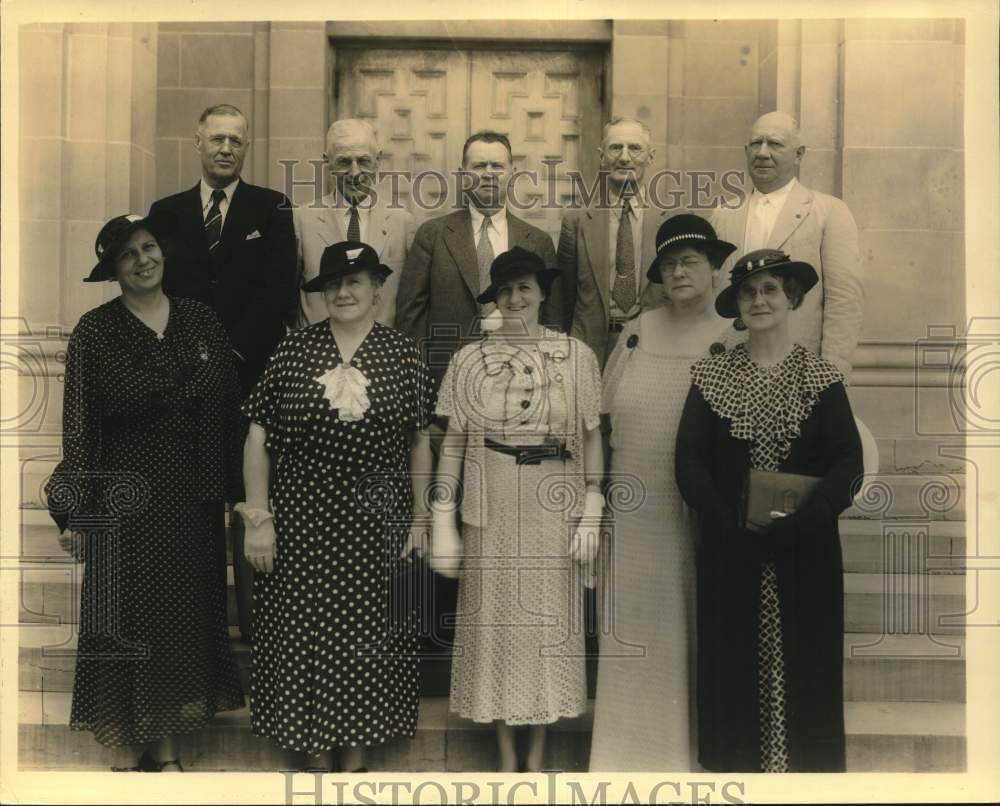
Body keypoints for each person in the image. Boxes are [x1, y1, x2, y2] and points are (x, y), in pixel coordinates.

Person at [45, 212, 245, 772]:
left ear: (164, 252)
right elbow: (79, 423)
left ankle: (172, 748)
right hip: (124, 494)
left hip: (191, 495)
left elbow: (226, 413)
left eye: (150, 247)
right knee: (129, 618)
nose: (143, 260)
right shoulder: (95, 330)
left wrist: (231, 497)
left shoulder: (202, 322)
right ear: (113, 268)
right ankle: (131, 749)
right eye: (128, 254)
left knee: (183, 616)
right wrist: (81, 513)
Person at [239, 240, 433, 773]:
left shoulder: (403, 354)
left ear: (377, 289)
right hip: (303, 522)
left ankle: (355, 765)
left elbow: (420, 441)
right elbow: (258, 436)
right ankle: (316, 763)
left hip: (378, 525)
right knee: (305, 639)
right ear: (321, 294)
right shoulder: (294, 351)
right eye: (332, 285)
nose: (343, 292)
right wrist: (259, 518)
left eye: (355, 282)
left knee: (368, 638)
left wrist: (419, 520)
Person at [675, 249, 864, 772]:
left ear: (792, 298)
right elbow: (689, 462)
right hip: (731, 550)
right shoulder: (711, 376)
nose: (759, 300)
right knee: (732, 666)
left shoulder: (822, 377)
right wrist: (727, 521)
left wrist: (807, 520)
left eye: (770, 290)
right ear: (736, 304)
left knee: (806, 666)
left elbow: (848, 461)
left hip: (805, 552)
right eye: (748, 292)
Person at [430, 247, 603, 772]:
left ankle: (540, 755)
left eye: (525, 287)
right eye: (505, 290)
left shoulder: (577, 356)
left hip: (556, 499)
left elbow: (593, 436)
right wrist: (442, 517)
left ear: (543, 292)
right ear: (495, 299)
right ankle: (507, 759)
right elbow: (454, 444)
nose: (516, 297)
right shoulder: (469, 359)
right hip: (494, 500)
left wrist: (594, 503)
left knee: (549, 627)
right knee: (498, 627)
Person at [589, 214, 738, 771]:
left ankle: (688, 760)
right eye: (669, 263)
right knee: (633, 630)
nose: (679, 272)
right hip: (632, 511)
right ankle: (624, 759)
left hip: (697, 512)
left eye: (691, 261)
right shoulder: (635, 331)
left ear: (715, 268)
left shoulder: (733, 338)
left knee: (691, 626)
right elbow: (600, 423)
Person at [149, 102, 298, 644]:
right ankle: (202, 628)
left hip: (250, 378)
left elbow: (280, 291)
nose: (227, 148)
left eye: (237, 140)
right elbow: (157, 292)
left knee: (249, 498)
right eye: (218, 139)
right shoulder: (165, 212)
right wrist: (191, 359)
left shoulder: (272, 208)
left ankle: (256, 627)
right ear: (198, 140)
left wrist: (229, 355)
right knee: (194, 505)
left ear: (246, 146)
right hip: (182, 384)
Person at [395, 131, 560, 390]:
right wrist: (419, 393)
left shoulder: (538, 241)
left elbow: (552, 320)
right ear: (463, 175)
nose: (488, 173)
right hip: (445, 383)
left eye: (497, 166)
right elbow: (409, 320)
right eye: (479, 166)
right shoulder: (433, 235)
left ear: (512, 173)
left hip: (522, 384)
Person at [710, 111, 864, 377]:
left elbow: (844, 302)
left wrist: (830, 377)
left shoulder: (827, 212)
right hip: (730, 368)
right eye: (756, 143)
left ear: (799, 154)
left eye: (775, 144)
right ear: (746, 151)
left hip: (798, 370)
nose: (763, 152)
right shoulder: (722, 214)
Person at [558, 116, 672, 367]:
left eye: (634, 148)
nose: (624, 157)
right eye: (615, 148)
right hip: (588, 349)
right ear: (602, 157)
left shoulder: (670, 220)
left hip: (652, 349)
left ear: (650, 157)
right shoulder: (576, 220)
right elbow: (563, 297)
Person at [296, 118, 415, 327]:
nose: (354, 172)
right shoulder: (301, 220)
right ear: (327, 162)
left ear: (378, 161)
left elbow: (412, 301)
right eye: (343, 162)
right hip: (319, 352)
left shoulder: (403, 222)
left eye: (363, 161)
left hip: (382, 351)